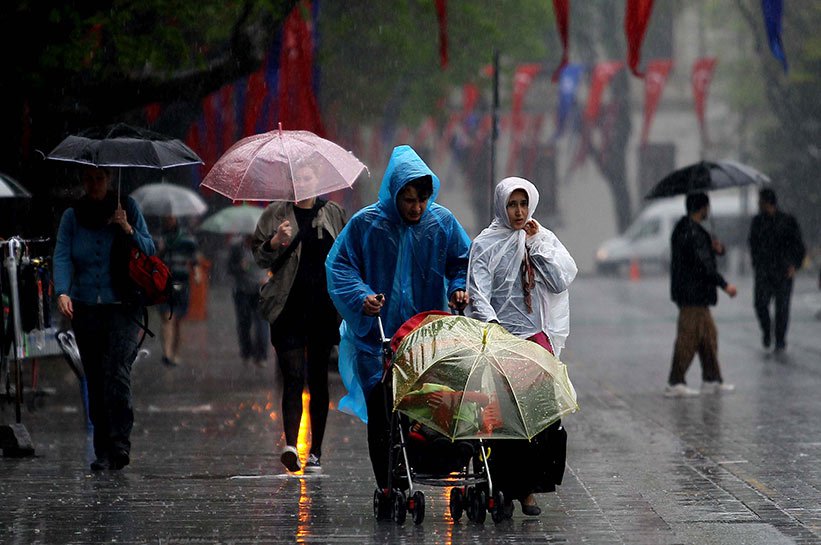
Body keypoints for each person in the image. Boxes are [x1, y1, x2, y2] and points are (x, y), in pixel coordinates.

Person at [325, 145, 470, 494]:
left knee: (427, 406)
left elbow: (461, 261)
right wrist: (362, 296)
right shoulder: (367, 225)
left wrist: (458, 288)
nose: (416, 208)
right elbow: (340, 265)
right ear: (394, 193)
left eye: (422, 199)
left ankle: (417, 464)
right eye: (408, 200)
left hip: (426, 336)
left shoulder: (442, 223)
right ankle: (389, 483)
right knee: (382, 412)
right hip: (378, 339)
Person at [467, 176, 577, 517]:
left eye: (523, 204)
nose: (518, 212)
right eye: (513, 204)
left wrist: (536, 246)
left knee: (541, 418)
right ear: (503, 205)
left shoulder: (539, 238)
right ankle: (503, 486)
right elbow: (478, 291)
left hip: (536, 339)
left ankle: (529, 488)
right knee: (504, 419)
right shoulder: (486, 244)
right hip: (502, 340)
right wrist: (493, 328)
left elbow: (559, 280)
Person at [53, 165, 155, 471]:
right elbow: (62, 254)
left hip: (122, 306)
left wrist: (127, 228)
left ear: (109, 179)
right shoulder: (72, 217)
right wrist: (62, 291)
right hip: (86, 308)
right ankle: (102, 449)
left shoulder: (128, 207)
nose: (94, 184)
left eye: (99, 178)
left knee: (117, 371)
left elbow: (150, 249)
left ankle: (120, 441)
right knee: (95, 377)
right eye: (88, 179)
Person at [253, 160, 347, 474]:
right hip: (287, 308)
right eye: (297, 177)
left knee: (318, 379)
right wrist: (274, 242)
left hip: (322, 308)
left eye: (307, 176)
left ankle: (316, 450)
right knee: (293, 375)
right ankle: (292, 445)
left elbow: (347, 254)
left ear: (317, 179)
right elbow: (258, 255)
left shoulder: (331, 213)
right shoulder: (274, 214)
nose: (302, 182)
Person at [665, 192, 737, 397]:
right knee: (687, 339)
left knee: (708, 337)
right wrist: (725, 285)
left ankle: (711, 379)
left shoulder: (689, 230)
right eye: (707, 206)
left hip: (694, 294)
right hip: (692, 295)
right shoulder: (691, 232)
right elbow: (703, 265)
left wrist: (717, 249)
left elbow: (703, 256)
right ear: (701, 208)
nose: (709, 211)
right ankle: (675, 382)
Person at [748, 188, 805, 352]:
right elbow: (753, 244)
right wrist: (756, 263)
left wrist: (795, 264)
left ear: (766, 202)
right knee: (760, 304)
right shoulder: (757, 222)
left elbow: (798, 245)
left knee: (782, 307)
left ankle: (780, 339)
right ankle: (767, 330)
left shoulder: (787, 221)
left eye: (760, 201)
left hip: (783, 270)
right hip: (764, 271)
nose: (758, 204)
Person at [155, 215, 200, 367]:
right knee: (167, 318)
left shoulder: (187, 238)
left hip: (182, 283)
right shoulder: (159, 238)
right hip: (164, 283)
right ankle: (167, 353)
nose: (169, 220)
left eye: (171, 217)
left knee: (178, 321)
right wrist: (160, 250)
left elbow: (194, 259)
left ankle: (175, 353)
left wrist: (196, 272)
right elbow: (153, 258)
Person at [227, 233, 269, 368]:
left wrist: (268, 279)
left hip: (260, 291)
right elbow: (230, 268)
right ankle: (246, 351)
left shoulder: (266, 246)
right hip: (242, 291)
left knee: (262, 324)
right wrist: (240, 267)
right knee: (244, 324)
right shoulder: (236, 247)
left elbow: (274, 265)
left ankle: (261, 355)